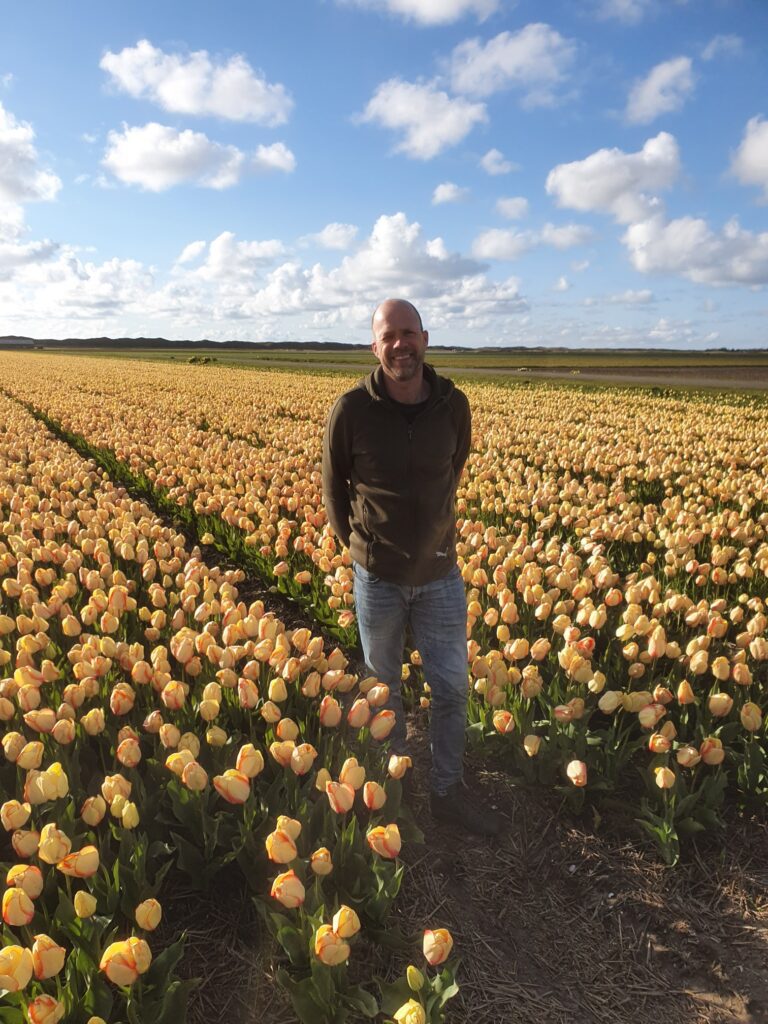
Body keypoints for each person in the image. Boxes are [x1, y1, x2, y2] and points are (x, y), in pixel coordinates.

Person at [321, 298, 501, 836]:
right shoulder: (351, 409)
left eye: (409, 334)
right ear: (375, 347)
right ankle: (391, 791)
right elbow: (334, 487)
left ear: (425, 339)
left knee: (450, 688)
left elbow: (455, 466)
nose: (400, 344)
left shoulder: (452, 406)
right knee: (384, 690)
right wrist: (361, 549)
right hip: (378, 578)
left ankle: (447, 792)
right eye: (389, 336)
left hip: (440, 574)